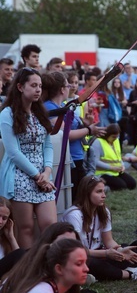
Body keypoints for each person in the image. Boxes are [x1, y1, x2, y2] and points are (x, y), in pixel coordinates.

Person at [0, 67, 57, 248]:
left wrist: (47, 172)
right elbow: (13, 152)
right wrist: (36, 176)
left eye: (39, 86)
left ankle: (50, 264)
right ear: (20, 87)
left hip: (43, 175)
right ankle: (28, 269)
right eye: (33, 85)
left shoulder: (39, 113)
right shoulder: (6, 114)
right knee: (25, 228)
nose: (38, 90)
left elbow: (47, 144)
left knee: (50, 225)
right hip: (19, 175)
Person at [61, 175, 137, 280]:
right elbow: (76, 250)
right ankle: (130, 273)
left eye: (104, 191)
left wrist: (120, 250)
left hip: (99, 253)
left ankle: (95, 275)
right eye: (99, 192)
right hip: (79, 256)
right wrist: (106, 253)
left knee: (128, 253)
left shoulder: (103, 211)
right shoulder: (74, 215)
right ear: (87, 194)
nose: (104, 195)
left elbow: (109, 241)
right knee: (93, 263)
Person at [42, 71, 106, 201]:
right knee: (75, 198)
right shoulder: (50, 107)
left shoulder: (61, 106)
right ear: (61, 89)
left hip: (76, 156)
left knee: (81, 196)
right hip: (67, 160)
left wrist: (86, 124)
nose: (70, 88)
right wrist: (89, 130)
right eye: (68, 85)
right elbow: (66, 135)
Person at [89, 123, 137, 190]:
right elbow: (95, 161)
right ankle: (103, 185)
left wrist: (122, 165)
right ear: (107, 134)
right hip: (103, 172)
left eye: (117, 136)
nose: (115, 139)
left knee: (132, 184)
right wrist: (111, 167)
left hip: (116, 171)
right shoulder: (98, 142)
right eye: (113, 137)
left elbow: (118, 156)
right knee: (122, 186)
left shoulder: (116, 141)